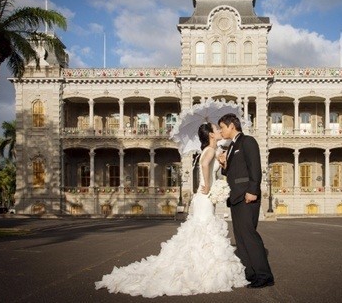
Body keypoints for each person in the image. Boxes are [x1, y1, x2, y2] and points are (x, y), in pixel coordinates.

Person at [95, 122, 247, 298]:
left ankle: (199, 264)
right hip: (205, 197)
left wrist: (222, 163)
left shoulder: (211, 150)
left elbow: (210, 166)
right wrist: (207, 186)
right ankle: (201, 267)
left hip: (204, 199)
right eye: (217, 129)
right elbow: (205, 166)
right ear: (211, 135)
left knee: (201, 233)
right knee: (205, 231)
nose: (220, 131)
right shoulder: (210, 151)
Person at [217, 113, 275, 289]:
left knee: (249, 236)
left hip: (246, 196)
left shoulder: (248, 141)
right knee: (241, 238)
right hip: (235, 197)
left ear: (232, 126)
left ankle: (264, 276)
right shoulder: (231, 147)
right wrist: (224, 165)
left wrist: (252, 190)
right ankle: (250, 274)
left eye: (222, 127)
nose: (221, 131)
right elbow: (235, 173)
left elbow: (255, 167)